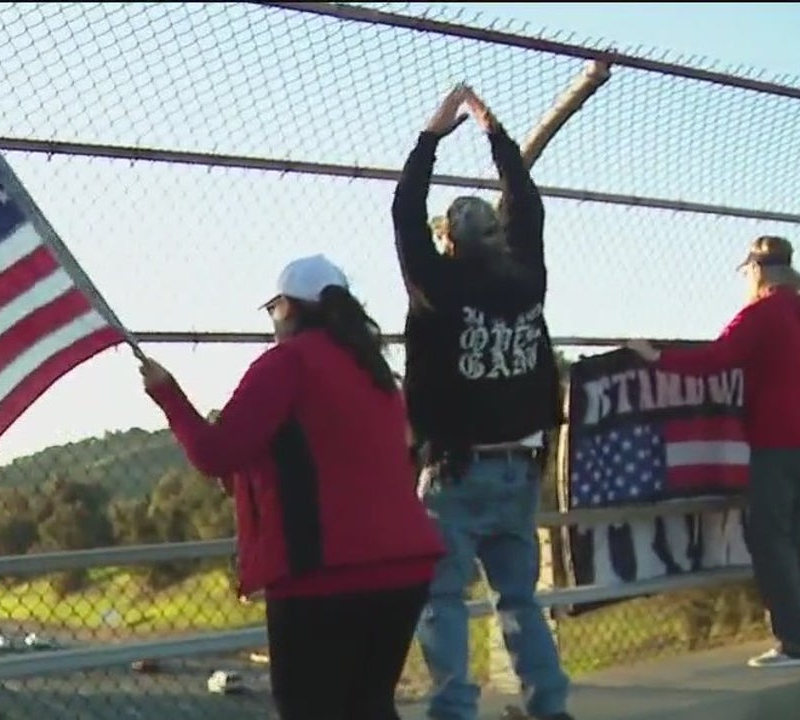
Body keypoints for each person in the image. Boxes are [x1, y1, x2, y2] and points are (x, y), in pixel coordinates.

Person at [138, 253, 445, 720]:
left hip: (322, 571)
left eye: (273, 309)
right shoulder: (376, 372)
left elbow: (215, 453)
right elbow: (334, 458)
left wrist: (169, 394)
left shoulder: (286, 364)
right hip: (403, 569)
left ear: (288, 307)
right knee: (369, 706)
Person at [392, 84, 572, 720]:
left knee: (443, 598)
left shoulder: (437, 285)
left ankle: (454, 711)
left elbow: (404, 211)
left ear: (447, 240)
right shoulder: (528, 280)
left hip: (454, 468)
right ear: (498, 235)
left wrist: (431, 136)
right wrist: (494, 134)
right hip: (520, 462)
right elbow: (528, 206)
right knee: (518, 598)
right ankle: (549, 706)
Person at [626, 235, 800, 668]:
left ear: (755, 270)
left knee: (771, 542)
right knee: (798, 538)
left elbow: (717, 358)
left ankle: (796, 642)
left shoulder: (762, 313)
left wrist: (656, 358)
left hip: (772, 440)